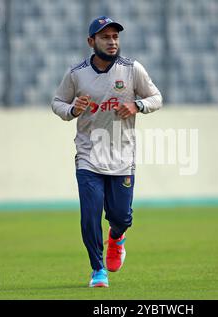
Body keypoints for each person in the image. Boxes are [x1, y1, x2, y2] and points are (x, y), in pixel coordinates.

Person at [51, 16, 163, 287]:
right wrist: (73, 110)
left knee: (121, 216)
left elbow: (156, 98)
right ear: (92, 42)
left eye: (115, 37)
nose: (112, 42)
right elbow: (57, 103)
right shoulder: (77, 74)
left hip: (122, 155)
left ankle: (117, 237)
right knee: (90, 215)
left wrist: (137, 105)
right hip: (88, 155)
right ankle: (97, 269)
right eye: (105, 37)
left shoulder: (132, 69)